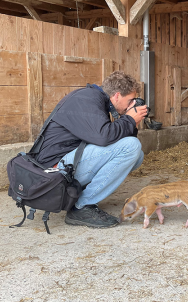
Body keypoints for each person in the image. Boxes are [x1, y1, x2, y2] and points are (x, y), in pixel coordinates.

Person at [35, 71, 148, 228]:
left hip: (66, 162)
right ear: (116, 96)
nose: (132, 105)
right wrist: (128, 119)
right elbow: (103, 137)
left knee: (137, 155)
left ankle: (77, 197)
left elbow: (110, 138)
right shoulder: (88, 99)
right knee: (131, 147)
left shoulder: (94, 99)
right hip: (53, 170)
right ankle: (81, 207)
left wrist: (131, 123)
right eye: (130, 100)